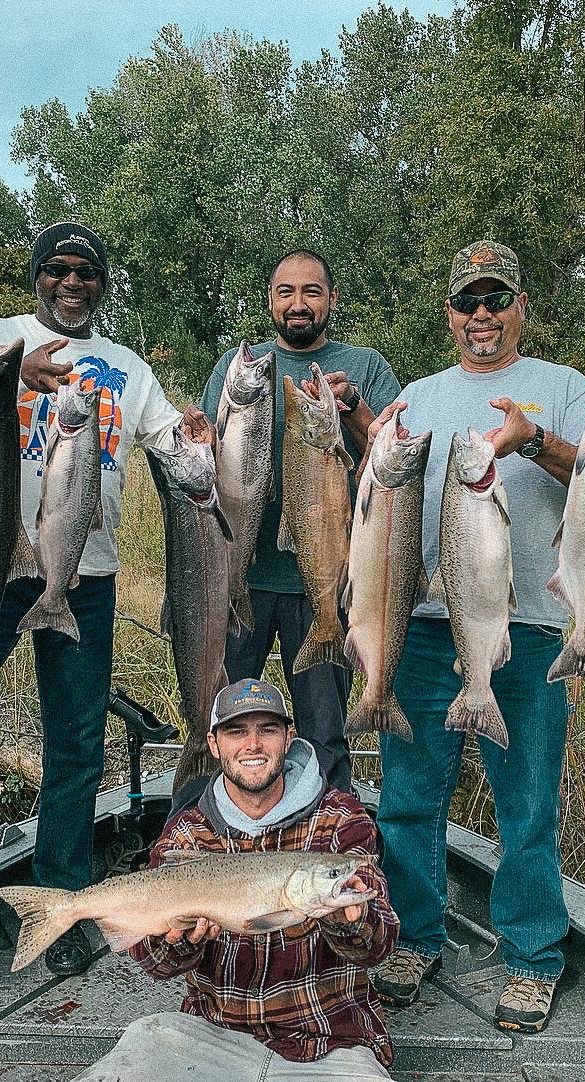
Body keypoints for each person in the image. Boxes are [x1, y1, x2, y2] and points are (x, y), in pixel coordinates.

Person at [0, 221, 212, 978]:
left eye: (86, 272)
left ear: (102, 286)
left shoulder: (128, 368)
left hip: (89, 573)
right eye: (58, 269)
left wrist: (201, 439)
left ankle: (62, 891)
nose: (72, 282)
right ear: (38, 276)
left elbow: (173, 448)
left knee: (77, 738)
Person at [368, 240, 585, 1033]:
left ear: (521, 306)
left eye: (498, 297)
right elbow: (385, 495)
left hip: (526, 626)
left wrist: (535, 440)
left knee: (526, 802)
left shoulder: (563, 389)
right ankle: (413, 937)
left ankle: (531, 957)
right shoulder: (420, 396)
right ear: (449, 314)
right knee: (408, 798)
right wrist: (365, 435)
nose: (483, 314)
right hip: (427, 626)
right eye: (469, 301)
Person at [74, 678, 398, 1082]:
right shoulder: (186, 832)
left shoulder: (342, 820)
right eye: (236, 731)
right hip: (208, 1038)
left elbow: (379, 945)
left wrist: (350, 922)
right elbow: (157, 964)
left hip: (328, 1041)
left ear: (288, 738)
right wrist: (179, 944)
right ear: (214, 744)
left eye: (267, 729)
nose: (253, 745)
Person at [200, 249, 401, 793]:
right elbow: (206, 460)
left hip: (327, 590)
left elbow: (397, 458)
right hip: (242, 578)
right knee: (223, 724)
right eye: (286, 291)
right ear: (270, 300)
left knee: (323, 734)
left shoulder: (366, 366)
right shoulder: (237, 367)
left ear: (331, 300)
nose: (298, 303)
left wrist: (355, 408)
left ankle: (334, 844)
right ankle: (213, 839)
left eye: (311, 291)